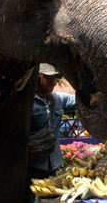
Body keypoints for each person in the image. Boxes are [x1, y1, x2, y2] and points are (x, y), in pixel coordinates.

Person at [24, 63, 76, 203]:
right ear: (39, 78)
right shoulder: (27, 103)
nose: (53, 82)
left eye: (55, 78)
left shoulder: (58, 100)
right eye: (49, 78)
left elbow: (78, 102)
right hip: (33, 166)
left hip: (54, 164)